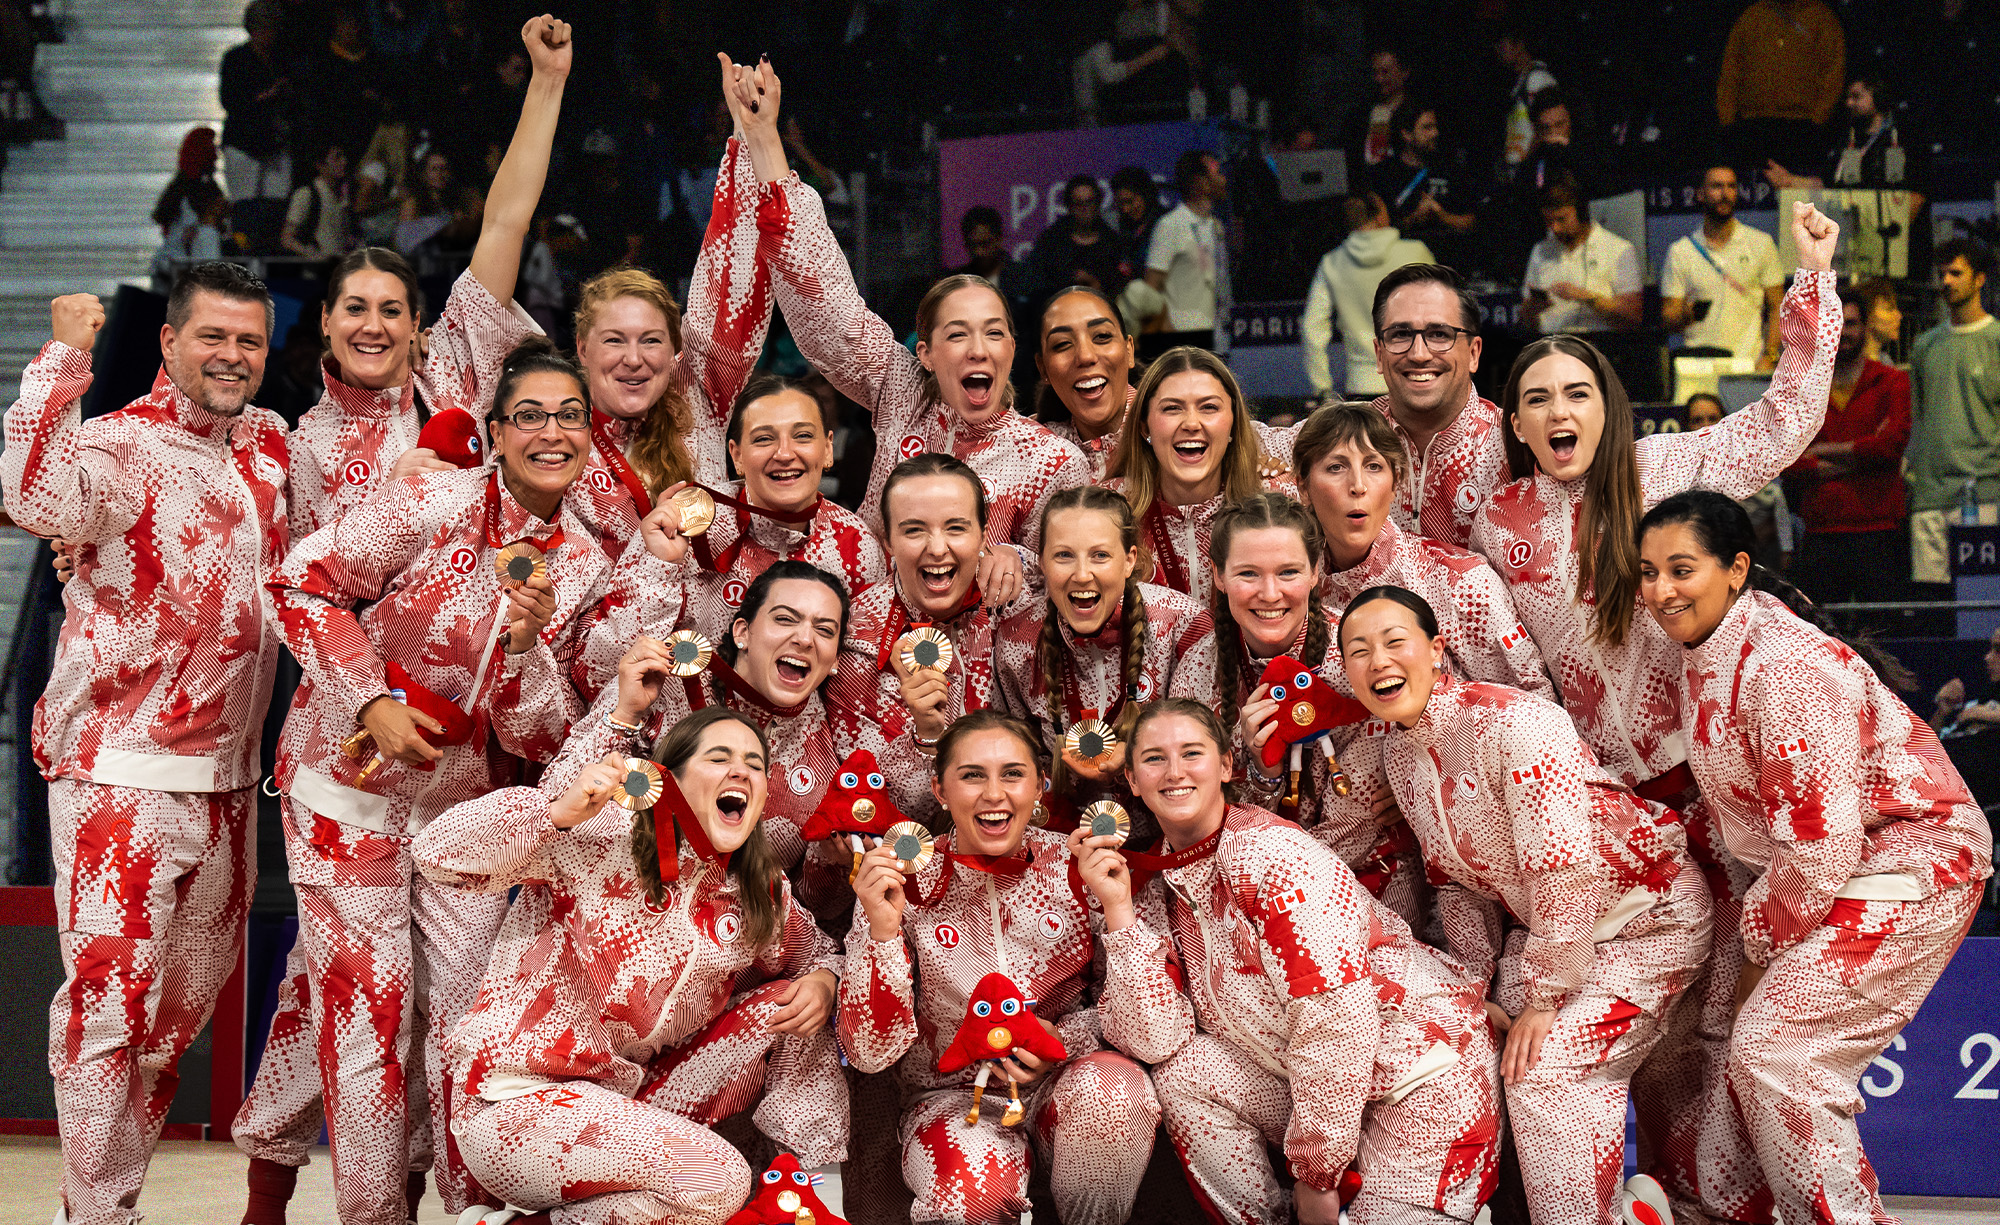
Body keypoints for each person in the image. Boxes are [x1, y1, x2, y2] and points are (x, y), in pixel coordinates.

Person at [1470, 201, 1840, 1225]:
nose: (1556, 410)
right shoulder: (1496, 525)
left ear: (1607, 402)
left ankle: (1710, 1205)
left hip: (1715, 807)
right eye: (1534, 396)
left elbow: (1780, 422)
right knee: (1619, 1042)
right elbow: (1506, 667)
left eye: (1575, 391)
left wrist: (1811, 277)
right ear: (1511, 422)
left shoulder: (1669, 469)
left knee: (1711, 1038)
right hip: (1600, 822)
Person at [260, 339, 613, 1225]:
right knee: (368, 1019)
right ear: (495, 431)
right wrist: (369, 698)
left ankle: (470, 1213)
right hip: (344, 789)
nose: (550, 431)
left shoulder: (586, 566)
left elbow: (544, 736)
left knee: (465, 1020)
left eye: (569, 415)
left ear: (590, 433)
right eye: (528, 414)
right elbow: (298, 584)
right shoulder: (429, 497)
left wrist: (529, 651)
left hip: (460, 813)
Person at [4, 267, 287, 1225]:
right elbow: (34, 498)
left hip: (231, 788)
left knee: (169, 1031)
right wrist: (62, 360)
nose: (232, 356)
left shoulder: (274, 449)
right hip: (117, 782)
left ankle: (97, 1204)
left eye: (249, 340)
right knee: (106, 1014)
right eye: (212, 336)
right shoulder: (119, 444)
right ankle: (97, 1216)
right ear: (168, 342)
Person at [1636, 489, 1991, 1225]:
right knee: (1725, 1036)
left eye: (1680, 568)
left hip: (1913, 859)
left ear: (1737, 569)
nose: (1661, 590)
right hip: (1819, 867)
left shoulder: (1785, 670)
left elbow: (1820, 849)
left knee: (1777, 1053)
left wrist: (1758, 951)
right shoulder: (1699, 652)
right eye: (1647, 572)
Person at [1340, 586, 1713, 1224]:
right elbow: (1458, 887)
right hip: (1552, 939)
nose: (1378, 661)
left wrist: (1542, 999)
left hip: (1650, 920)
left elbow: (1561, 869)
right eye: (1358, 650)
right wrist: (1474, 988)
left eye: (1394, 642)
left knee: (1546, 1069)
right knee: (1474, 1041)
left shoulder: (1517, 722)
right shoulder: (1399, 754)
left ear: (1436, 649)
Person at [415, 704, 846, 1225]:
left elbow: (818, 953)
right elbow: (436, 855)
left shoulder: (756, 890)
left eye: (754, 764)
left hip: (630, 1101)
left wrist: (824, 980)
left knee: (787, 1009)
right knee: (720, 1178)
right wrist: (555, 813)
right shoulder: (603, 835)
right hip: (515, 1102)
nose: (741, 772)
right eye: (719, 758)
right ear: (670, 777)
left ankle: (807, 1189)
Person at [1100, 698, 1504, 1225]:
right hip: (1313, 1089)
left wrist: (1316, 1176)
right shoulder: (1152, 889)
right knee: (1184, 1070)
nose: (1174, 772)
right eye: (1154, 759)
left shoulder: (1273, 858)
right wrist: (1119, 912)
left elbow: (1335, 1022)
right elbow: (1157, 1040)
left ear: (1226, 765)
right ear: (1132, 780)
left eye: (1192, 753)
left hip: (1421, 1076)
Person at [843, 710, 1161, 1223]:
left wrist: (1058, 1041)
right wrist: (880, 932)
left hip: (1067, 1082)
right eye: (972, 775)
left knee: (1115, 1092)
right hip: (952, 1099)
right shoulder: (900, 883)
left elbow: (1153, 1037)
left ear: (1040, 784)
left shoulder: (1082, 866)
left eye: (1012, 774)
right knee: (971, 1195)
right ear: (939, 790)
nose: (995, 794)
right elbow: (868, 1054)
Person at [760, 99, 1091, 559]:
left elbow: (1073, 579)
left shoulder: (1052, 462)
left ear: (1013, 349)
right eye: (957, 334)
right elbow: (827, 304)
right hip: (867, 625)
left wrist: (1021, 561)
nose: (978, 349)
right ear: (925, 354)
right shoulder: (903, 391)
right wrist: (767, 145)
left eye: (993, 333)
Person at [281, 14, 569, 542]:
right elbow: (302, 589)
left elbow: (505, 220)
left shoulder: (455, 365)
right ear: (325, 322)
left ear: (417, 323)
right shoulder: (304, 449)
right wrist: (389, 500)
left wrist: (546, 83)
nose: (373, 326)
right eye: (354, 308)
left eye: (391, 310)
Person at [994, 486, 1215, 832]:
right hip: (1064, 840)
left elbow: (1205, 756)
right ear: (1041, 563)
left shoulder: (1183, 624)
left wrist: (1133, 757)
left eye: (1100, 556)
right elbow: (1020, 762)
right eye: (1064, 555)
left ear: (1129, 560)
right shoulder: (1017, 640)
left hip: (1173, 834)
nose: (1082, 574)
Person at [1298, 406, 1551, 698]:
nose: (1357, 486)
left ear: (1396, 483)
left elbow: (1535, 703)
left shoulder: (1461, 581)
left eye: (1373, 466)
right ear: (1303, 486)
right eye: (1336, 467)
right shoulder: (1294, 587)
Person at [830, 453, 1028, 827]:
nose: (937, 548)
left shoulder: (1019, 601)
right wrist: (925, 737)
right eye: (914, 530)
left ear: (984, 536)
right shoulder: (855, 637)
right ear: (887, 541)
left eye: (956, 528)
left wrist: (1019, 555)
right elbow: (871, 808)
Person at [1105, 346, 1294, 602]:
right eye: (1172, 408)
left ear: (1233, 424)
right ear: (1143, 426)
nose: (1192, 424)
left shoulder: (1282, 501)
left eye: (1208, 408)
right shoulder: (1107, 512)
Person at [1364, 262, 1508, 550]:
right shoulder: (1342, 439)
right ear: (1379, 355)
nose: (1419, 354)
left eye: (1439, 334)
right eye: (1400, 334)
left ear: (1473, 352)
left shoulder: (1515, 445)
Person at [1784, 284, 1912, 605]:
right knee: (1819, 642)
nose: (1842, 332)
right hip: (1821, 534)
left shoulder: (1892, 382)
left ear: (1865, 327)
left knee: (1884, 639)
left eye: (1850, 323)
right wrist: (1863, 456)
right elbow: (1788, 462)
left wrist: (1821, 450)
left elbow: (1890, 447)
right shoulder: (1802, 388)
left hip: (1879, 530)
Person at [1904, 237, 2000, 589]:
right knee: (1934, 607)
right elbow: (1919, 418)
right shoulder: (1924, 345)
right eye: (1942, 273)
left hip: (1986, 494)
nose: (1946, 281)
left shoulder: (1996, 340)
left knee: (1981, 602)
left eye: (1956, 273)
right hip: (1929, 497)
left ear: (1979, 279)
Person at [1302, 192, 1434, 398]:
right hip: (1416, 381)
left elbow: (1312, 329)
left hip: (1361, 385)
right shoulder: (1416, 253)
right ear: (1381, 216)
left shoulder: (1332, 263)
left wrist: (1322, 389)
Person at [1661, 166, 1785, 366]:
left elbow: (1778, 307)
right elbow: (1668, 317)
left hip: (1748, 363)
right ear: (1700, 194)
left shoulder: (1761, 243)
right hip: (1697, 364)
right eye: (1717, 187)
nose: (1725, 194)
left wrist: (1770, 356)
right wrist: (1686, 313)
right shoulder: (1681, 251)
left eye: (1731, 186)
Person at [1717, 0, 1847, 171]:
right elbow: (1731, 71)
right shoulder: (1752, 16)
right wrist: (1727, 119)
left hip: (1801, 127)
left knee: (1798, 193)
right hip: (1753, 125)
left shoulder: (1821, 18)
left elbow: (1833, 72)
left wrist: (1818, 119)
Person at [1035, 285, 1139, 479]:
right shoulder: (1032, 453)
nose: (1085, 356)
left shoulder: (1171, 432)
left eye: (1102, 336)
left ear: (1129, 351)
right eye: (1063, 344)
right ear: (1043, 369)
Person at [1522, 173, 1641, 334]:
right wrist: (1530, 311)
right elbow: (1526, 325)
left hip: (1598, 347)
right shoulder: (1540, 251)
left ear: (1582, 213)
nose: (1554, 228)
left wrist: (1586, 297)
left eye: (1561, 220)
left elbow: (1633, 316)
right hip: (1551, 347)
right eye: (1549, 221)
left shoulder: (1618, 249)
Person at [1686, 394, 1794, 572]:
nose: (1706, 426)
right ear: (1686, 426)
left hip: (1756, 561)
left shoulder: (1748, 459)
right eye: (1697, 420)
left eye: (1713, 419)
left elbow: (1776, 508)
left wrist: (1785, 550)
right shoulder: (1675, 472)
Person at [1135, 150, 1229, 341]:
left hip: (1218, 338)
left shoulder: (1216, 226)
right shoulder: (1171, 225)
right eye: (1217, 173)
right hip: (1183, 344)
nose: (1224, 179)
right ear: (1200, 182)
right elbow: (1151, 288)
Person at [1368, 101, 1476, 263]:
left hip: (1447, 265)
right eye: (1427, 128)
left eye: (1435, 127)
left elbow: (1470, 223)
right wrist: (1413, 219)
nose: (1435, 133)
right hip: (1399, 266)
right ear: (1407, 134)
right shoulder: (1381, 174)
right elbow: (1371, 232)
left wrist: (1441, 216)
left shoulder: (1452, 170)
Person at [219, 0, 291, 200]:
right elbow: (229, 101)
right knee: (246, 205)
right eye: (265, 28)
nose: (270, 34)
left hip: (275, 143)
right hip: (244, 144)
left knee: (277, 204)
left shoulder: (281, 59)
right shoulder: (236, 59)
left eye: (273, 28)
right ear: (252, 29)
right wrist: (264, 97)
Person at [1028, 174, 1128, 302]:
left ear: (1098, 204)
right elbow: (1036, 281)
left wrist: (1097, 287)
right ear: (1069, 207)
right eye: (1078, 203)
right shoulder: (1052, 240)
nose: (1085, 209)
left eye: (1089, 202)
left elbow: (1120, 288)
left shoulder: (1112, 243)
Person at [281, 140, 359, 260]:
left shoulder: (343, 196)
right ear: (320, 165)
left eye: (343, 157)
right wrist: (311, 254)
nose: (344, 162)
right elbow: (287, 239)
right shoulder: (306, 195)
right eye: (337, 158)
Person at [1495, 25, 1557, 167]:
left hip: (1534, 169)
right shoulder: (1519, 84)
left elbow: (1550, 128)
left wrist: (1528, 164)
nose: (1497, 51)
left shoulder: (1538, 79)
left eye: (1502, 45)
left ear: (1519, 46)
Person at [1343, 47, 1411, 169]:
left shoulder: (1417, 113)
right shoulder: (1360, 114)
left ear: (1404, 72)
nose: (1379, 79)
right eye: (1375, 73)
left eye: (1385, 72)